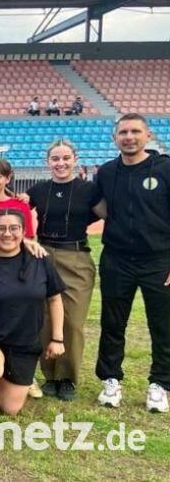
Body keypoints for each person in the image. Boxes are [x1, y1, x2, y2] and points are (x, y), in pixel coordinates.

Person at [94, 113, 170, 413]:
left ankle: (160, 384)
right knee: (112, 323)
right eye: (123, 132)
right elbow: (97, 205)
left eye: (135, 131)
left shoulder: (165, 168)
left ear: (148, 135)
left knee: (162, 325)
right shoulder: (106, 172)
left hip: (159, 260)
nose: (129, 137)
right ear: (115, 138)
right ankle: (111, 379)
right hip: (117, 259)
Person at [0, 208, 66, 416]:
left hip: (24, 341)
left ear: (23, 231)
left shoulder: (40, 260)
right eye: (0, 228)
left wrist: (57, 338)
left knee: (9, 409)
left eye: (14, 228)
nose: (7, 233)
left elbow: (55, 299)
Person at [26, 140, 101, 401]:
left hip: (76, 255)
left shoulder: (89, 189)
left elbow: (108, 214)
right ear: (48, 162)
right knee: (45, 318)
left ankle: (67, 377)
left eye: (66, 158)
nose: (61, 163)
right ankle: (50, 375)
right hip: (43, 254)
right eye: (55, 159)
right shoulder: (38, 190)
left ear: (75, 159)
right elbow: (13, 207)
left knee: (73, 321)